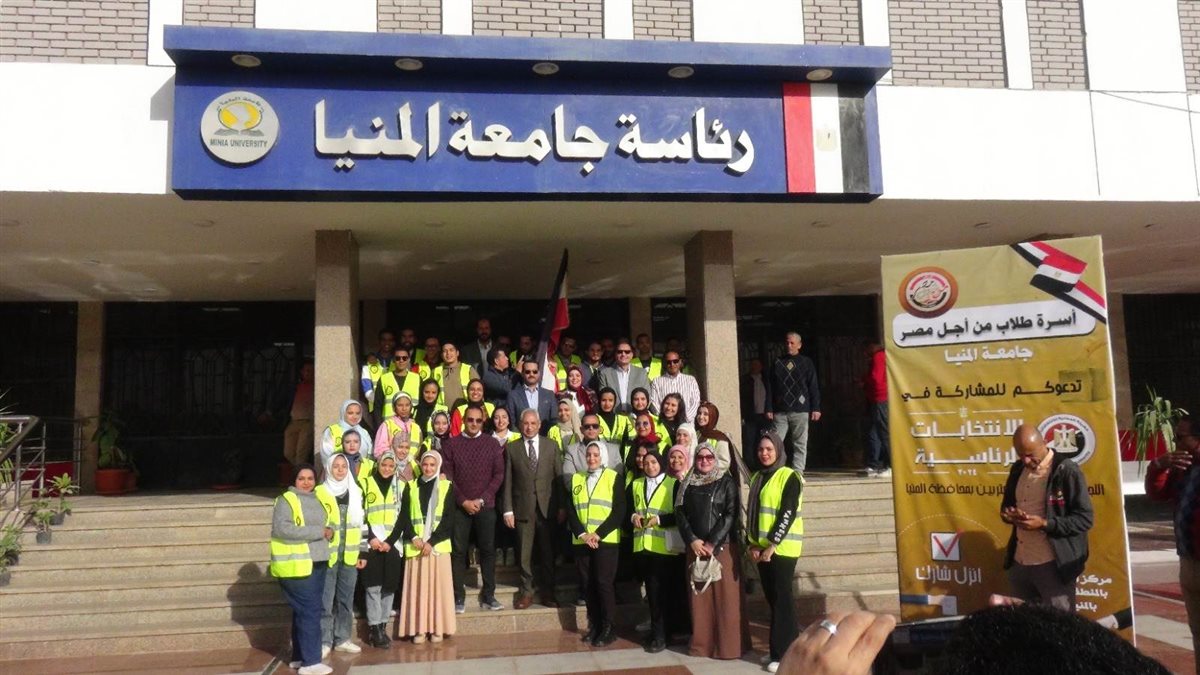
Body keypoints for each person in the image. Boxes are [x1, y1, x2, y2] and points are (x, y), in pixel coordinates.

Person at [1000, 423, 1094, 611]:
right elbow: (1006, 507)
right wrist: (1011, 515)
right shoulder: (1018, 469)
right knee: (1022, 622)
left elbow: (1085, 519)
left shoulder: (1066, 471)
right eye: (1020, 455)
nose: (1026, 460)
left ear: (1044, 443)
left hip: (1053, 564)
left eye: (1030, 454)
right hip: (1020, 561)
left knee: (1059, 623)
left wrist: (1044, 524)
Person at [676, 442, 745, 660]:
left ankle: (728, 647)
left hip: (723, 547)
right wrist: (692, 540)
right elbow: (680, 514)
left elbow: (731, 513)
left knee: (726, 600)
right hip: (695, 549)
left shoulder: (726, 482)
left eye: (709, 457)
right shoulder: (686, 484)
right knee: (700, 601)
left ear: (715, 459)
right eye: (700, 457)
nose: (704, 461)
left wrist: (712, 542)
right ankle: (702, 646)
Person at [440, 403, 506, 612]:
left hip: (485, 506)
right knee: (458, 552)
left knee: (487, 550)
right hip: (460, 507)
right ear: (463, 420)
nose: (474, 424)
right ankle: (458, 597)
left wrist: (482, 499)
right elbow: (448, 477)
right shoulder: (451, 444)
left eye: (478, 420)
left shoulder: (492, 444)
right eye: (470, 420)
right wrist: (464, 501)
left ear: (483, 421)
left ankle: (489, 595)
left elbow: (499, 475)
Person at [747, 431, 804, 673]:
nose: (764, 453)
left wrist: (772, 544)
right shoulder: (758, 476)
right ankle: (783, 650)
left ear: (779, 450)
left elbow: (787, 512)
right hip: (762, 549)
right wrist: (752, 543)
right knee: (775, 601)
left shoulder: (789, 476)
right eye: (761, 449)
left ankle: (782, 654)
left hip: (782, 548)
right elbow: (752, 514)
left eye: (769, 449)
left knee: (782, 601)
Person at [270, 464, 333, 675]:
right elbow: (282, 528)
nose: (306, 482)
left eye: (310, 478)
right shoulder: (286, 500)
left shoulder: (319, 498)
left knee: (304, 611)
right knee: (310, 611)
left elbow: (327, 523)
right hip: (298, 565)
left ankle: (299, 656)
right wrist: (318, 532)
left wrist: (330, 531)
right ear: (294, 480)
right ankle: (311, 662)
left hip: (318, 561)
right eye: (301, 478)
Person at [1145, 416, 1200, 654]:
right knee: (1196, 630)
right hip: (1188, 559)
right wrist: (1159, 466)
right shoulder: (1183, 466)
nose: (1175, 443)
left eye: (1180, 437)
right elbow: (1157, 494)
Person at [503, 409, 565, 609]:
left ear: (539, 425)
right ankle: (527, 592)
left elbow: (559, 478)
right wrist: (507, 509)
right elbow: (508, 481)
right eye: (525, 423)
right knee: (524, 555)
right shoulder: (512, 448)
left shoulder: (551, 446)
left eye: (533, 423)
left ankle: (548, 592)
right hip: (523, 508)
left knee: (548, 553)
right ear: (520, 425)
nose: (529, 427)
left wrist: (562, 506)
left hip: (547, 508)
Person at [397, 449, 458, 644]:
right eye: (425, 464)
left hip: (437, 548)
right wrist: (414, 537)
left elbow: (448, 519)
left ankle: (438, 628)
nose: (428, 468)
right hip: (416, 547)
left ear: (438, 466)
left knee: (438, 591)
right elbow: (404, 516)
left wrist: (432, 542)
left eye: (432, 465)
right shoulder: (411, 486)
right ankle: (420, 629)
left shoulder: (446, 487)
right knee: (418, 592)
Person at [627, 447, 684, 653]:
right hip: (643, 546)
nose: (650, 466)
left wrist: (658, 520)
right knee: (652, 593)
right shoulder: (636, 484)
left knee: (662, 593)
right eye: (646, 463)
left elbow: (680, 514)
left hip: (665, 548)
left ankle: (661, 635)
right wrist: (633, 517)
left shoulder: (673, 484)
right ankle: (658, 631)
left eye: (654, 462)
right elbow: (628, 509)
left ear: (661, 463)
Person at [568, 441, 624, 647]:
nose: (591, 458)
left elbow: (619, 510)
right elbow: (571, 509)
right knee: (588, 584)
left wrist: (598, 534)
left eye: (596, 455)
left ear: (603, 457)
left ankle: (609, 627)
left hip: (605, 540)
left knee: (603, 583)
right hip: (582, 540)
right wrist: (583, 534)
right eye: (589, 455)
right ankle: (595, 625)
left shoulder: (614, 477)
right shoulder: (577, 478)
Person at [316, 453, 366, 657]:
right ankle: (324, 640)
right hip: (327, 555)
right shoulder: (320, 492)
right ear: (329, 468)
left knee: (346, 600)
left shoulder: (355, 491)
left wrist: (363, 552)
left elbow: (362, 523)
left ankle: (342, 638)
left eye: (343, 466)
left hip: (350, 555)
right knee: (325, 601)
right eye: (335, 466)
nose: (339, 470)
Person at [361, 451, 405, 649]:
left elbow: (403, 517)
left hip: (392, 544)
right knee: (373, 586)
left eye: (391, 466)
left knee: (389, 586)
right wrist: (371, 538)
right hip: (372, 543)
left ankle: (383, 625)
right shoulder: (365, 484)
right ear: (378, 465)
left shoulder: (401, 486)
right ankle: (374, 627)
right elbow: (361, 515)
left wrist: (390, 540)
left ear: (395, 468)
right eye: (383, 465)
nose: (387, 469)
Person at [766, 332, 821, 473]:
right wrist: (769, 408)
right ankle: (775, 471)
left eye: (792, 343)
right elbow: (770, 387)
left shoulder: (806, 362)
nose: (789, 345)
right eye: (787, 343)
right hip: (780, 410)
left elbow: (813, 386)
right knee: (775, 442)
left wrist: (816, 407)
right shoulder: (777, 362)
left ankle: (798, 472)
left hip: (800, 409)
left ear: (799, 345)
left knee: (800, 443)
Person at [563, 413, 624, 486]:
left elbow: (618, 479)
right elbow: (569, 481)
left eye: (595, 426)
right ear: (581, 429)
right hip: (582, 492)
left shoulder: (613, 450)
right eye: (587, 426)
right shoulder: (572, 451)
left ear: (600, 429)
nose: (591, 428)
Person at [597, 339, 650, 413]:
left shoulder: (641, 373)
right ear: (615, 354)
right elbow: (602, 398)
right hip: (614, 415)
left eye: (627, 352)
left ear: (632, 355)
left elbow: (647, 397)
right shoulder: (605, 374)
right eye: (620, 352)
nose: (623, 354)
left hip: (635, 416)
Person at [861, 343, 890, 477]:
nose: (865, 353)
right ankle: (874, 464)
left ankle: (890, 465)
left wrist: (865, 382)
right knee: (875, 432)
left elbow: (876, 378)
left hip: (880, 397)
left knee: (883, 431)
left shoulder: (879, 356)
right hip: (875, 398)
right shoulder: (879, 357)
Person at [360, 329, 397, 430]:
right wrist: (380, 403)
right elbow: (367, 391)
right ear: (379, 342)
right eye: (384, 340)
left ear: (394, 342)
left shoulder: (398, 361)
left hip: (396, 409)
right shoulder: (369, 363)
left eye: (390, 340)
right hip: (376, 410)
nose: (387, 343)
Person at [319, 400, 373, 469]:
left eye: (357, 413)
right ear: (343, 413)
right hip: (338, 471)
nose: (354, 416)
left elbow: (369, 455)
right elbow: (326, 454)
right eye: (350, 413)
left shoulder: (364, 432)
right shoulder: (332, 431)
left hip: (361, 472)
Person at [650, 350, 701, 420]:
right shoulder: (656, 382)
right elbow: (654, 404)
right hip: (664, 423)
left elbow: (696, 402)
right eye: (669, 362)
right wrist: (667, 419)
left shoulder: (691, 380)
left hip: (687, 423)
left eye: (675, 361)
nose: (672, 364)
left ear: (680, 362)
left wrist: (684, 419)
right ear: (664, 363)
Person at [284, 360, 316, 467]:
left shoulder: (316, 387)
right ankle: (301, 469)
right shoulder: (297, 386)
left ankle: (301, 473)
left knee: (301, 453)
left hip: (308, 422)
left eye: (311, 371)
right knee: (288, 453)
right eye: (306, 370)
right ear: (302, 372)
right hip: (294, 421)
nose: (308, 373)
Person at [507, 359, 556, 429]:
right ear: (522, 373)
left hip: (544, 435)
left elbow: (554, 420)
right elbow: (512, 422)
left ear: (539, 373)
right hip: (520, 435)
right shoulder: (513, 395)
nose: (531, 374)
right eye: (527, 372)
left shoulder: (549, 395)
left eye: (535, 372)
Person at [374, 392, 423, 460]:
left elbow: (419, 450)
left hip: (412, 465)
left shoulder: (416, 427)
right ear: (394, 407)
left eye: (407, 405)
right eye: (400, 405)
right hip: (392, 464)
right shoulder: (387, 425)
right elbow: (379, 450)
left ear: (411, 407)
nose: (404, 409)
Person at [377, 346, 421, 419]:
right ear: (393, 360)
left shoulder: (417, 379)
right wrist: (379, 424)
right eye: (397, 358)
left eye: (404, 358)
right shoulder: (384, 378)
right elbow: (377, 406)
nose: (401, 360)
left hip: (411, 423)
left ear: (409, 360)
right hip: (389, 424)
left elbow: (421, 405)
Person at [739, 357, 769, 464]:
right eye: (753, 365)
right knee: (749, 441)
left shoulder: (766, 380)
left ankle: (761, 462)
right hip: (750, 415)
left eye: (757, 365)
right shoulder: (745, 380)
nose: (755, 367)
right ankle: (750, 464)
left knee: (762, 440)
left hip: (764, 416)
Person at [433, 342, 479, 409]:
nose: (448, 353)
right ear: (442, 355)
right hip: (442, 412)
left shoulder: (469, 370)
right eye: (445, 351)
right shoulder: (436, 371)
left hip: (464, 412)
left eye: (451, 350)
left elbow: (479, 393)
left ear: (457, 353)